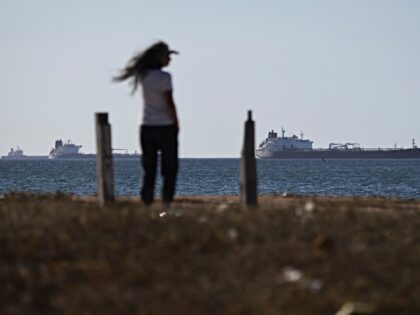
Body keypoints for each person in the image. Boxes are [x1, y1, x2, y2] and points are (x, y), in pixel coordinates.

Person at [113, 41, 179, 205]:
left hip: (146, 126)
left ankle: (146, 202)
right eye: (168, 56)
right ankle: (166, 203)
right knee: (169, 168)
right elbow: (169, 102)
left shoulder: (143, 76)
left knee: (149, 168)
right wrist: (176, 122)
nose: (170, 59)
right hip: (165, 126)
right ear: (160, 58)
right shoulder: (165, 77)